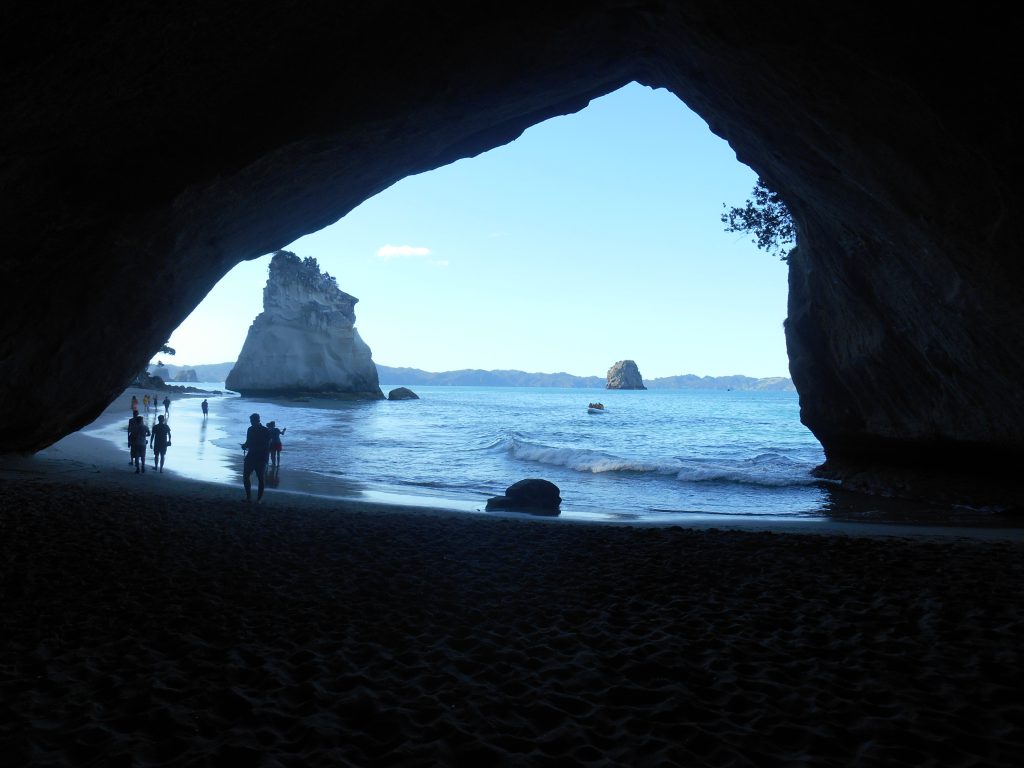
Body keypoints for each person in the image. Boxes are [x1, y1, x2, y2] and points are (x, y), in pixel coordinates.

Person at [240, 412, 271, 503]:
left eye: (253, 421)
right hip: (251, 455)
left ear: (258, 420)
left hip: (261, 457)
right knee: (246, 476)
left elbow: (267, 444)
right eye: (251, 421)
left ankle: (259, 499)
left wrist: (252, 446)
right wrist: (245, 446)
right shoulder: (250, 429)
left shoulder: (265, 430)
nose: (251, 422)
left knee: (260, 478)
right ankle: (248, 497)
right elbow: (248, 442)